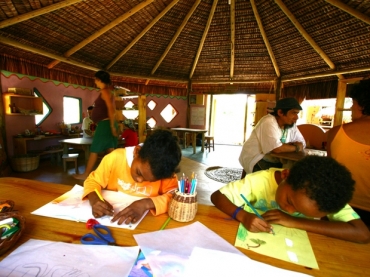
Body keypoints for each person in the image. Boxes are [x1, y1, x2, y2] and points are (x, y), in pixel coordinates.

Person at [211, 156, 370, 243]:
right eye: (290, 201)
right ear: (286, 175)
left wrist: (294, 221)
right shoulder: (259, 181)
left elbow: (362, 234)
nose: (289, 211)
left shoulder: (326, 194)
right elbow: (217, 196)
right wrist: (243, 215)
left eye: (300, 212)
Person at [82, 129, 182, 225]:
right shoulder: (115, 158)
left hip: (149, 223)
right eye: (139, 172)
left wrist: (145, 204)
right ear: (136, 152)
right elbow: (93, 181)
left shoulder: (165, 173)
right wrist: (94, 199)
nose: (139, 181)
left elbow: (175, 196)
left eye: (148, 180)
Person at [327, 78, 370, 211]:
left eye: (353, 103)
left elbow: (329, 172)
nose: (351, 107)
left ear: (362, 105)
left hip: (340, 206)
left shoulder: (336, 133)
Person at [239, 97, 306, 175]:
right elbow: (276, 149)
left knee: (294, 172)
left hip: (275, 159)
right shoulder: (268, 121)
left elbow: (302, 143)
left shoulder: (291, 125)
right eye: (293, 113)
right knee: (282, 176)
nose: (296, 117)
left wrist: (287, 146)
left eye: (297, 113)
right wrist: (296, 147)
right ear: (280, 112)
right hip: (257, 158)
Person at [74, 71, 118, 180]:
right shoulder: (107, 91)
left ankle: (86, 174)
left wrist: (112, 126)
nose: (94, 82)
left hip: (105, 124)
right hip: (106, 124)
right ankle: (116, 174)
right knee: (110, 150)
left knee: (94, 149)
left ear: (99, 80)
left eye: (95, 79)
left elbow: (111, 109)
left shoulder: (105, 91)